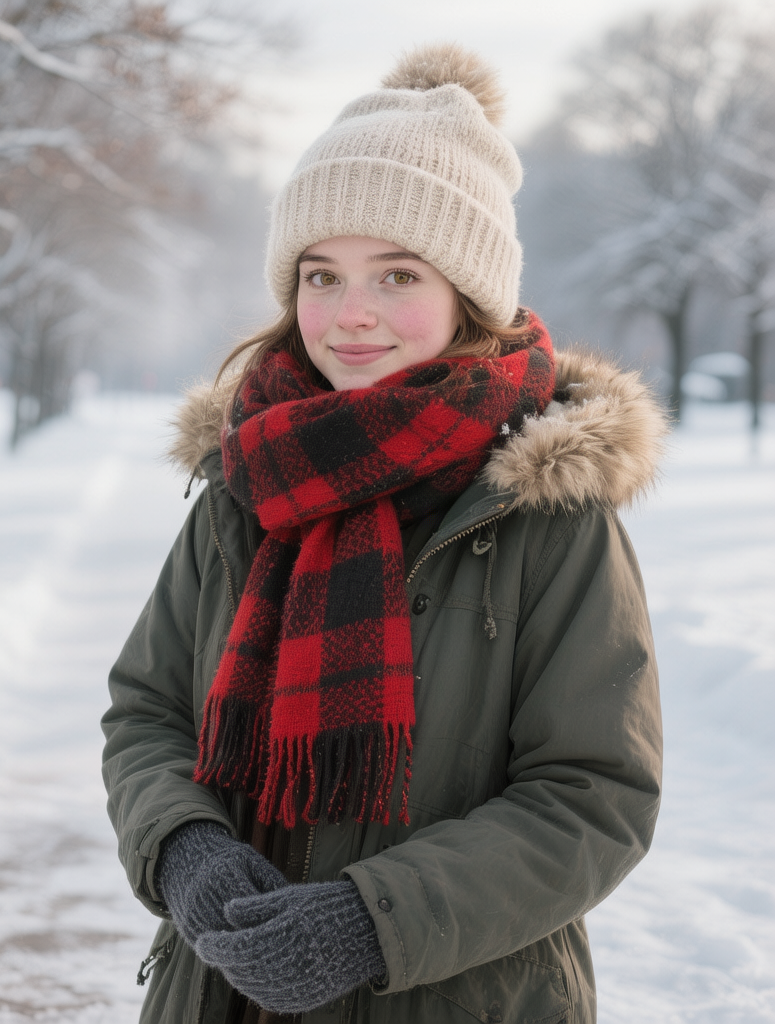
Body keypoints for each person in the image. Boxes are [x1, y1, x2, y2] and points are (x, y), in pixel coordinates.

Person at [102, 42, 666, 1024]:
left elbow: (593, 793)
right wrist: (184, 845)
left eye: (397, 273)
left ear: (468, 294)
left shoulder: (543, 509)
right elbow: (147, 712)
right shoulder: (246, 481)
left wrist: (373, 920)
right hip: (223, 992)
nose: (349, 314)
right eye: (320, 275)